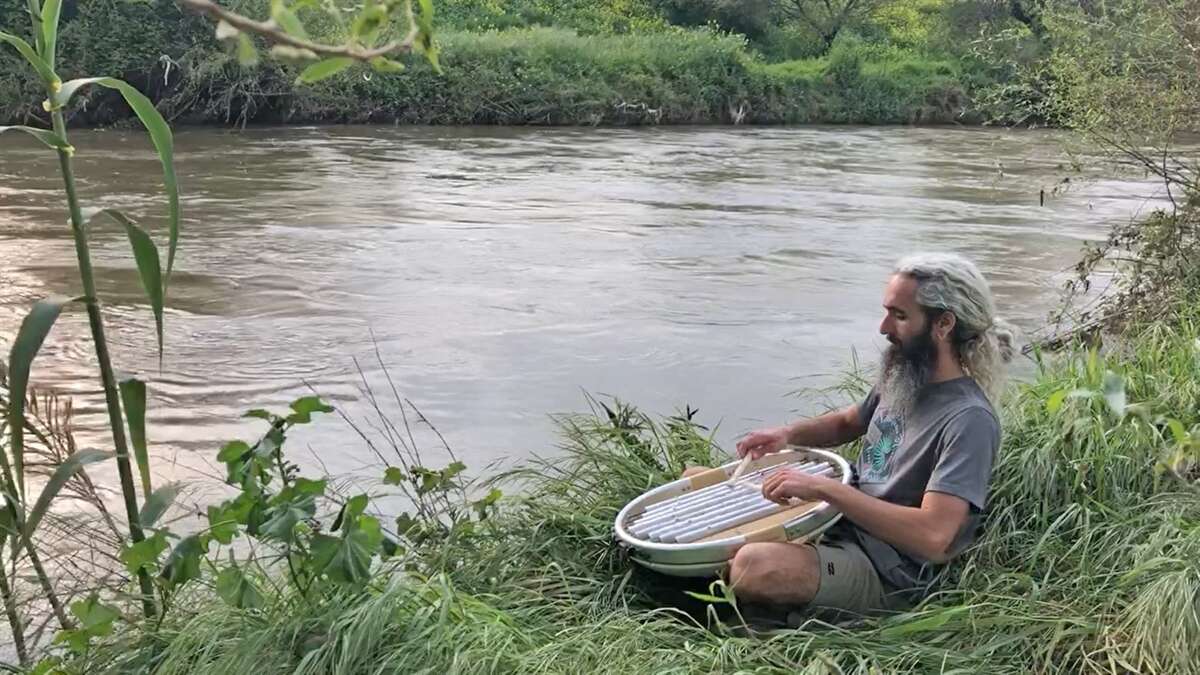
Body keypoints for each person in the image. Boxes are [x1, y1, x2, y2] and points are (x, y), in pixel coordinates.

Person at [694, 253, 1016, 620]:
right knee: (698, 481)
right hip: (837, 524)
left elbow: (934, 538)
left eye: (899, 315)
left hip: (884, 568)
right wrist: (785, 434)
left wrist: (825, 490)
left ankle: (776, 606)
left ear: (943, 324)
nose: (883, 327)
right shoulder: (906, 375)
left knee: (755, 566)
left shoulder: (970, 420)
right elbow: (851, 421)